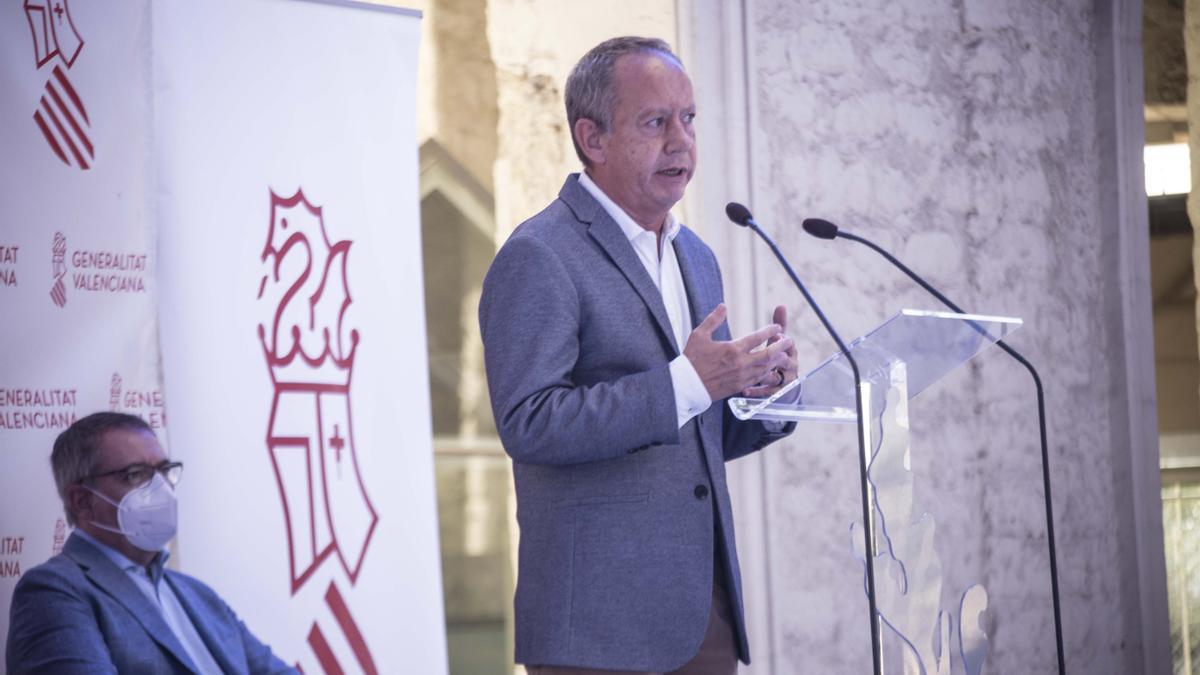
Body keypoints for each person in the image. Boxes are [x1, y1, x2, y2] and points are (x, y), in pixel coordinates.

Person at [478, 36, 799, 674]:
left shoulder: (696, 256)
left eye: (689, 119)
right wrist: (688, 382)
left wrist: (762, 394)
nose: (681, 141)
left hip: (701, 614)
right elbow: (531, 423)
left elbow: (695, 434)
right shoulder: (540, 255)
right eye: (655, 122)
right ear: (592, 139)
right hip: (597, 628)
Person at [5, 412, 295, 675]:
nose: (161, 488)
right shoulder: (54, 591)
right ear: (82, 501)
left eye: (164, 471)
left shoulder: (196, 594)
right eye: (135, 475)